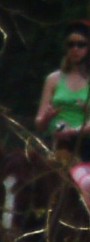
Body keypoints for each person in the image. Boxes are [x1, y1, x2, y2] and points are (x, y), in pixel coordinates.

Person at [36, 24, 90, 155]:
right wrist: (46, 118)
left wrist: (74, 131)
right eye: (71, 44)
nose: (75, 49)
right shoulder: (53, 79)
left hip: (84, 144)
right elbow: (39, 124)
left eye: (81, 44)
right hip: (55, 142)